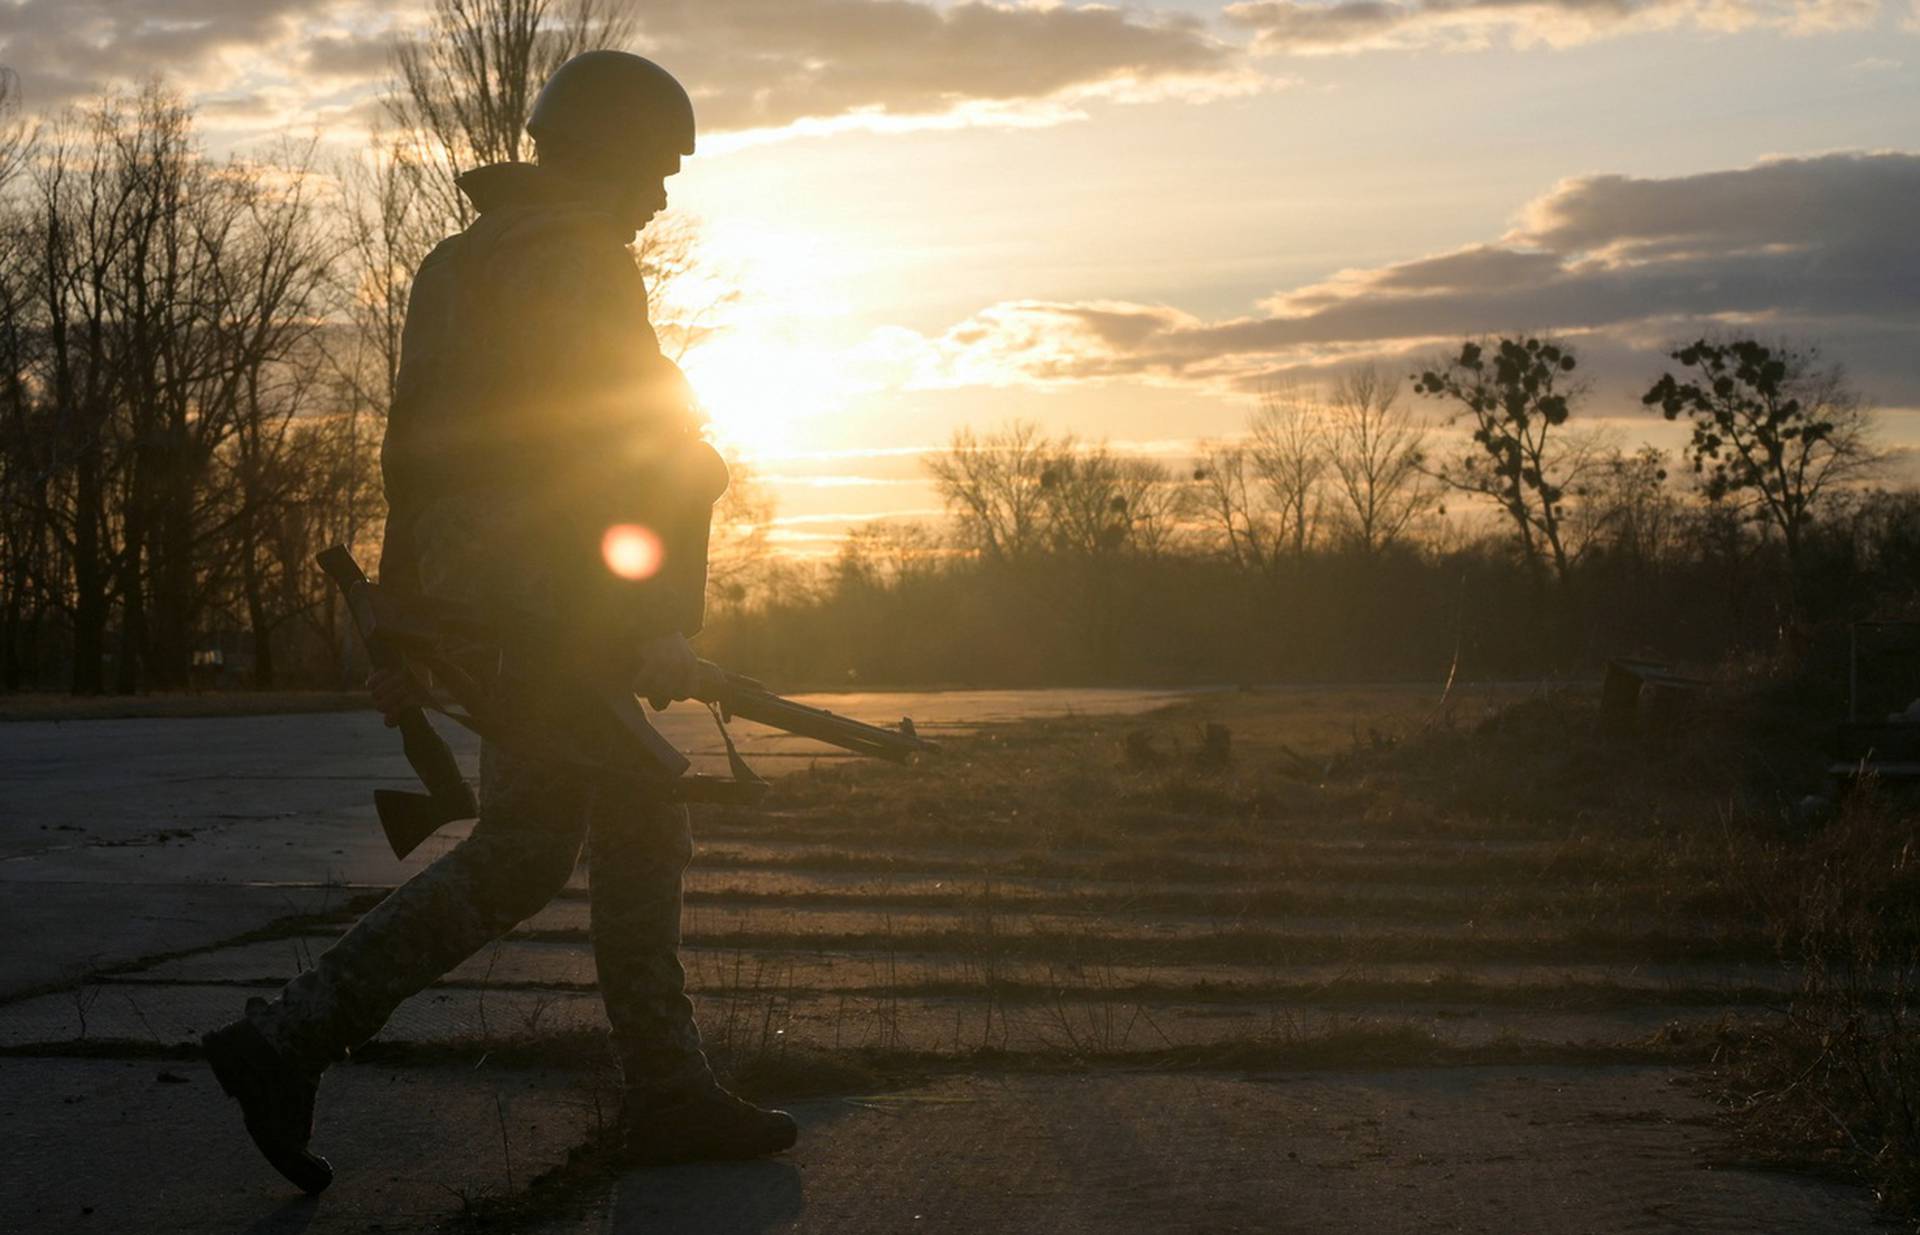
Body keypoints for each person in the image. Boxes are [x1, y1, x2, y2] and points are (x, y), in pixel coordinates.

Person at [201, 51, 795, 1195]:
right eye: (657, 168)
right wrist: (657, 616)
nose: (661, 196)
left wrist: (404, 625)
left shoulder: (456, 262)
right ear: (609, 153)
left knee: (559, 835)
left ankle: (293, 1041)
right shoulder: (580, 264)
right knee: (586, 824)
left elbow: (412, 453)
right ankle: (654, 1093)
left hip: (483, 608)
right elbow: (643, 460)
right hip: (556, 610)